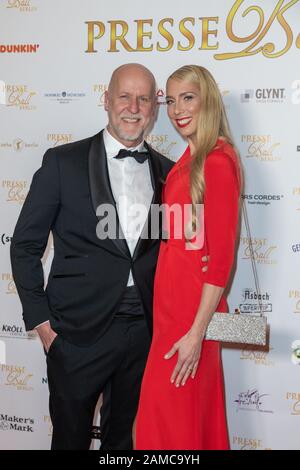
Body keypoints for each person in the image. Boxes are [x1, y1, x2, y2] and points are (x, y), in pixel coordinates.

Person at [10, 63, 176, 450]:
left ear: (154, 107)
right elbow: (25, 246)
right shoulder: (62, 162)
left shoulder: (170, 173)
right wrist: (43, 325)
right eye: (124, 96)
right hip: (76, 334)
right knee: (70, 440)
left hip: (145, 332)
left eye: (144, 98)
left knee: (124, 442)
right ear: (106, 99)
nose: (133, 107)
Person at [135, 65, 241, 450]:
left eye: (188, 98)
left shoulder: (217, 160)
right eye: (172, 99)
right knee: (172, 423)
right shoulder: (190, 157)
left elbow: (221, 260)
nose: (178, 109)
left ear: (207, 100)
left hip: (192, 319)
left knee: (174, 428)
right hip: (171, 315)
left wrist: (196, 333)